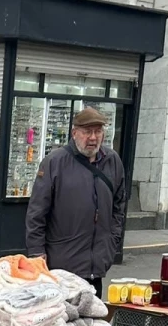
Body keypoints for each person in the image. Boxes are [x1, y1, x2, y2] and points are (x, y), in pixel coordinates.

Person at [25, 106, 127, 297]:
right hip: (61, 267)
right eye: (87, 132)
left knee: (93, 323)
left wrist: (112, 242)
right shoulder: (54, 162)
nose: (93, 137)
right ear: (74, 133)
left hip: (96, 266)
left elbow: (119, 206)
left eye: (98, 131)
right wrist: (37, 254)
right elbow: (36, 213)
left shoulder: (112, 161)